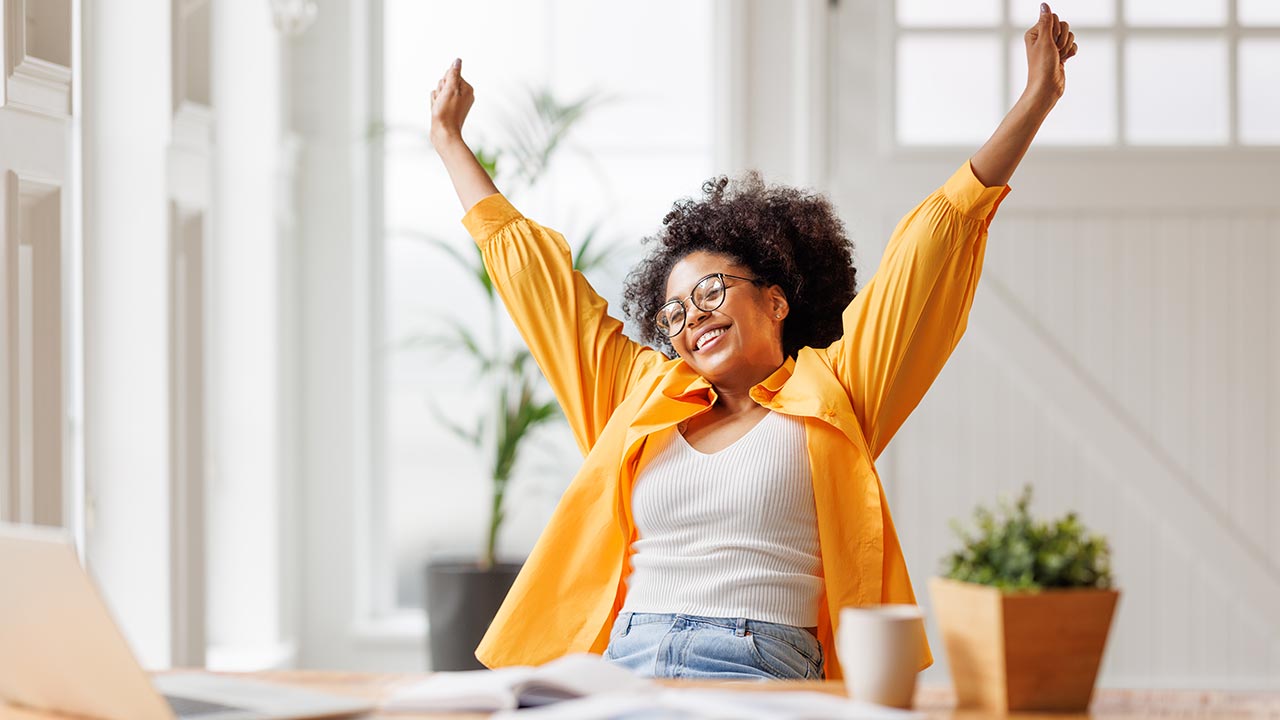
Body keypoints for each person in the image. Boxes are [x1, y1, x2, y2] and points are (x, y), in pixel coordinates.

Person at [429, 4, 1077, 681]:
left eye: (711, 292)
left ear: (776, 299)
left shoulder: (837, 391)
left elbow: (931, 250)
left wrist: (1035, 101)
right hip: (626, 659)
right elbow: (544, 290)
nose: (693, 318)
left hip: (757, 662)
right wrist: (450, 142)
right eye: (675, 312)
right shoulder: (640, 397)